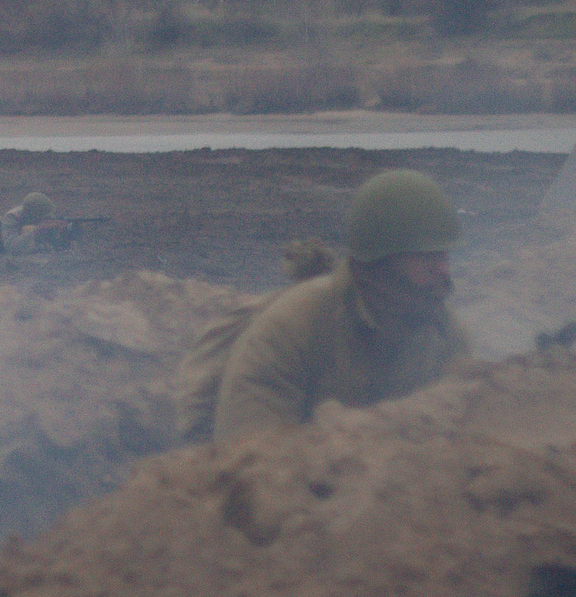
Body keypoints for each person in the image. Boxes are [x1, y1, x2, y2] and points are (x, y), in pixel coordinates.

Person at [192, 169, 472, 444]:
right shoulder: (291, 329)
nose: (443, 271)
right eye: (426, 258)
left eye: (444, 256)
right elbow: (246, 461)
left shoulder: (447, 337)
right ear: (379, 263)